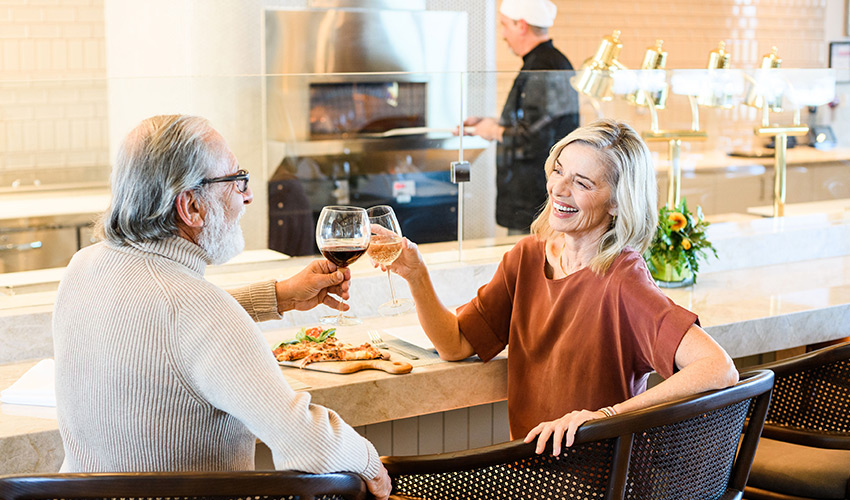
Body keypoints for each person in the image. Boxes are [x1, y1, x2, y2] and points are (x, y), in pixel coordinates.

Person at [52, 115, 390, 500]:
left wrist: (279, 296)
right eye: (235, 180)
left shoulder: (82, 266)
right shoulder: (196, 308)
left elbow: (161, 329)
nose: (247, 195)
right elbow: (310, 444)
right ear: (191, 207)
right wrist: (370, 464)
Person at [385, 119, 739, 456]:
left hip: (600, 478)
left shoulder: (622, 279)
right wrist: (417, 276)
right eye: (558, 171)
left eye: (583, 183)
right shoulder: (526, 257)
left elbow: (719, 367)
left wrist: (605, 417)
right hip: (534, 473)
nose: (558, 188)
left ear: (617, 202)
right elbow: (456, 344)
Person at [464, 0, 579, 235]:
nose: (503, 35)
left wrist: (493, 131)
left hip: (536, 202)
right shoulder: (541, 63)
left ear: (522, 25)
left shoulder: (544, 67)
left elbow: (536, 140)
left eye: (505, 25)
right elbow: (535, 122)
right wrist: (490, 123)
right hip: (531, 200)